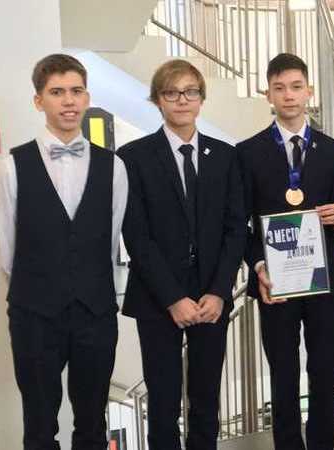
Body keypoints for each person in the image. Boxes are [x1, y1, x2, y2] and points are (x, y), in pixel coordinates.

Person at [0, 53, 128, 449]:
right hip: (34, 315)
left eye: (76, 91)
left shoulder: (114, 166)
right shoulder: (12, 166)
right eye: (57, 92)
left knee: (92, 424)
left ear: (87, 98)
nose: (68, 101)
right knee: (39, 425)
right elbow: (9, 250)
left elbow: (110, 238)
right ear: (39, 101)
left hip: (95, 313)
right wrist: (39, 292)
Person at [117, 59, 245, 450]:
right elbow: (136, 235)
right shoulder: (133, 157)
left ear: (201, 99)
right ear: (158, 100)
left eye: (190, 91)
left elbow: (235, 229)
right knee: (163, 401)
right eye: (171, 93)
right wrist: (173, 298)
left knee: (206, 399)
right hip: (158, 297)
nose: (182, 100)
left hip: (211, 296)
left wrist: (219, 291)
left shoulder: (225, 156)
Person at [236, 53, 334, 450]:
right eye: (279, 88)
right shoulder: (248, 152)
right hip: (276, 284)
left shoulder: (333, 150)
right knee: (283, 375)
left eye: (296, 87)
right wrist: (258, 265)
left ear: (309, 91)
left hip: (324, 281)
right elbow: (240, 225)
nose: (288, 95)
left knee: (325, 373)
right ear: (268, 94)